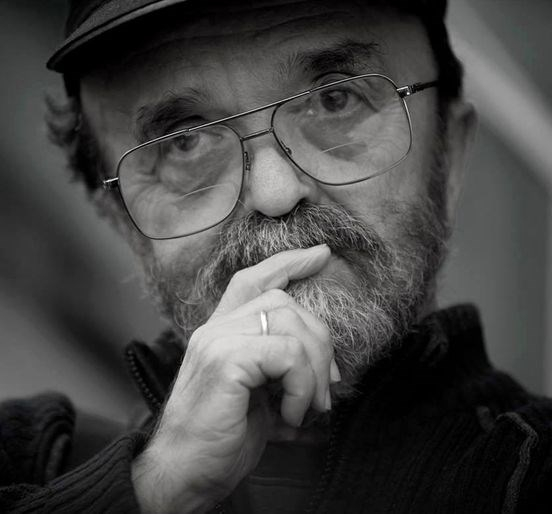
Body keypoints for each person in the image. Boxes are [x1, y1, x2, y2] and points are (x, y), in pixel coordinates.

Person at [1, 0, 551, 512]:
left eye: (335, 99)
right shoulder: (24, 462)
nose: (275, 192)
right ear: (121, 220)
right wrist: (154, 486)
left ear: (448, 155)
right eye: (185, 141)